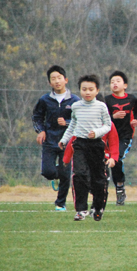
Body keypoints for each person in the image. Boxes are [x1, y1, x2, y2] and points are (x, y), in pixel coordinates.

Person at [58, 74, 112, 221]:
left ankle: (98, 206)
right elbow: (73, 125)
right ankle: (81, 210)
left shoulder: (101, 107)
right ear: (80, 90)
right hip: (80, 144)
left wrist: (97, 133)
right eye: (84, 89)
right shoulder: (76, 107)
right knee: (79, 175)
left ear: (97, 90)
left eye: (90, 89)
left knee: (98, 178)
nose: (87, 92)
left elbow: (108, 125)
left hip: (96, 145)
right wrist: (64, 139)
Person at [32, 65, 80, 211]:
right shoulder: (45, 100)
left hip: (67, 142)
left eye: (59, 78)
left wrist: (67, 122)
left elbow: (81, 120)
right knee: (48, 172)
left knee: (65, 174)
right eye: (53, 79)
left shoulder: (75, 100)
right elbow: (37, 117)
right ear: (49, 83)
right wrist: (40, 131)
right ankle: (59, 174)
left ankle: (60, 203)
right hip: (50, 141)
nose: (57, 81)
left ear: (65, 80)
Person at [63, 123, 119, 217]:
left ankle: (97, 208)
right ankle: (81, 209)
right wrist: (66, 158)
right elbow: (74, 140)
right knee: (80, 178)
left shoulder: (108, 123)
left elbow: (114, 141)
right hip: (84, 156)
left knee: (100, 182)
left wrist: (113, 157)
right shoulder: (83, 122)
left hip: (102, 157)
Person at [104, 71, 137, 205]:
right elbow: (101, 117)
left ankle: (120, 188)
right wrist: (112, 118)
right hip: (108, 137)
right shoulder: (106, 100)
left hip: (125, 137)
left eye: (118, 81)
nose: (114, 83)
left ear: (125, 85)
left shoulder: (131, 99)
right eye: (112, 81)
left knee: (117, 159)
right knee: (105, 161)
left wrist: (136, 121)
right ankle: (101, 189)